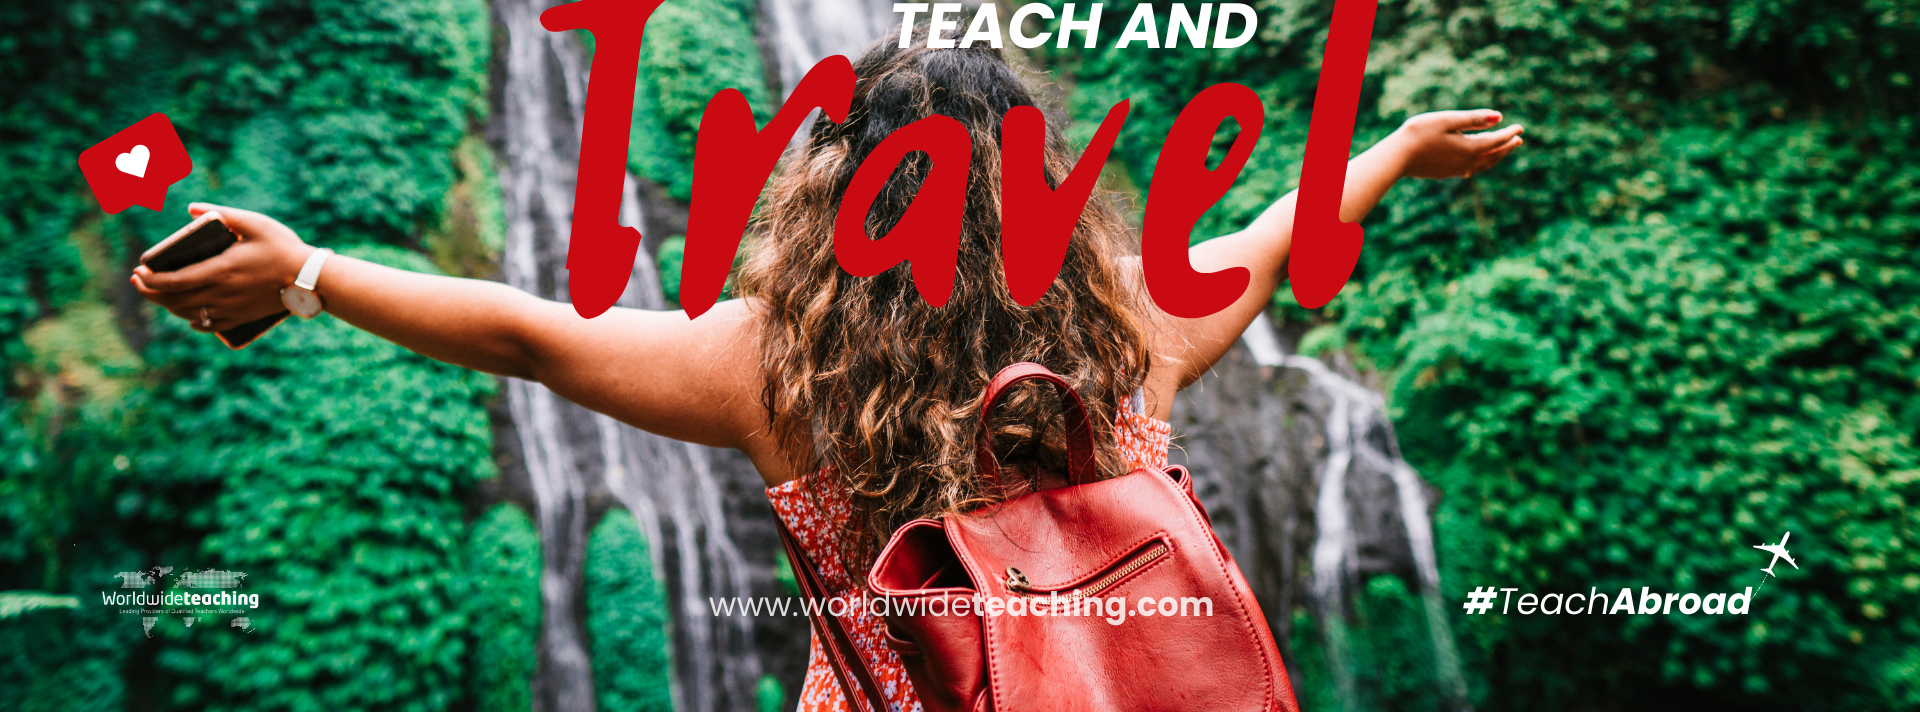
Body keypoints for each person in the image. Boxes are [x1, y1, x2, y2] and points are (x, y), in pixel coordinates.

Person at [132, 35, 1522, 711]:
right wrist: (1391, 152)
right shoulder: (1126, 334)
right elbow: (1268, 242)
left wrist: (307, 272)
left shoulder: (774, 367)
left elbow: (525, 331)